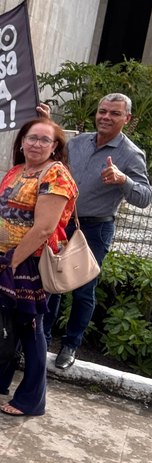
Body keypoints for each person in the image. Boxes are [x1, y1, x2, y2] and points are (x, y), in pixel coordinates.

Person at [0, 117, 78, 416]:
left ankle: (31, 398)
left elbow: (44, 228)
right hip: (5, 261)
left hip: (32, 264)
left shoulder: (56, 175)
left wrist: (11, 262)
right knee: (7, 319)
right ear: (22, 141)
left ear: (55, 146)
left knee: (30, 327)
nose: (36, 144)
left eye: (44, 139)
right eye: (31, 138)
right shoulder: (16, 171)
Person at [39, 94, 152, 370]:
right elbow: (53, 157)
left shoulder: (131, 154)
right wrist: (46, 123)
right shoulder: (78, 142)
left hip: (95, 228)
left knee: (83, 288)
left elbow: (144, 197)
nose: (106, 117)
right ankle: (41, 340)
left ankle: (70, 345)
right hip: (62, 222)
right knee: (51, 282)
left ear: (127, 119)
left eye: (114, 113)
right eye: (103, 111)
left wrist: (123, 180)